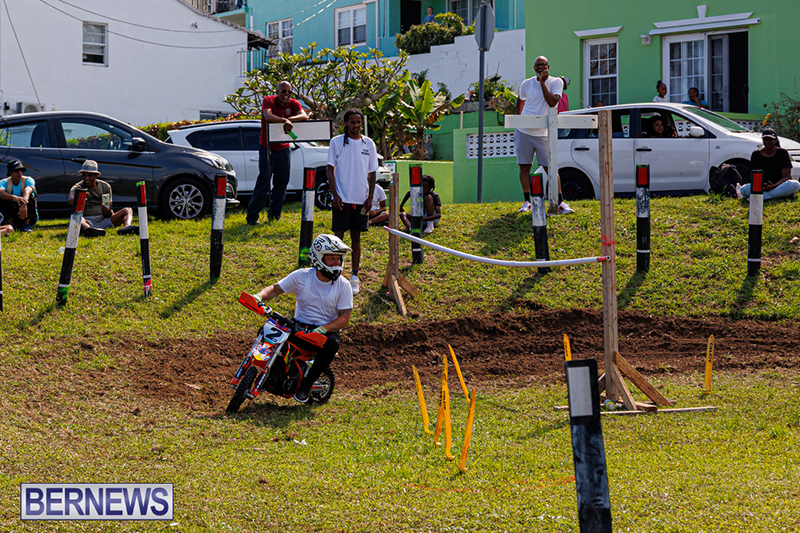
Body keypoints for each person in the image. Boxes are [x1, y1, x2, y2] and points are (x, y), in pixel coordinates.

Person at [252, 234, 353, 403]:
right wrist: (259, 296)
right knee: (266, 330)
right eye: (332, 258)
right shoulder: (302, 276)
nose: (337, 262)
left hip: (325, 332)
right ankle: (269, 373)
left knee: (333, 344)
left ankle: (306, 385)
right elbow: (276, 289)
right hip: (299, 325)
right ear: (319, 258)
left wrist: (324, 328)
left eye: (339, 258)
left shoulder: (344, 285)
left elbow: (344, 318)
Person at [327, 108, 378, 296]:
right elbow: (330, 170)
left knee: (356, 238)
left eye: (359, 122)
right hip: (342, 198)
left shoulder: (369, 144)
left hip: (361, 199)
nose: (356, 126)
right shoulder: (336, 142)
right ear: (346, 123)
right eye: (353, 122)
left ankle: (354, 276)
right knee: (337, 238)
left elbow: (372, 173)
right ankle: (336, 275)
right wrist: (335, 195)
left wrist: (370, 197)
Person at [513, 55, 573, 215]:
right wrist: (519, 121)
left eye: (544, 65)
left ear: (548, 66)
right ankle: (527, 201)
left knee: (550, 168)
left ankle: (560, 202)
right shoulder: (526, 83)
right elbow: (520, 100)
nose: (541, 67)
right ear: (534, 68)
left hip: (543, 133)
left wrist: (542, 83)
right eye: (538, 65)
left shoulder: (556, 82)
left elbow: (552, 102)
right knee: (524, 166)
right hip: (524, 131)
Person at [246, 80, 309, 225]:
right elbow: (267, 116)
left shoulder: (293, 103)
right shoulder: (268, 100)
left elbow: (304, 116)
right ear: (277, 91)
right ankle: (252, 218)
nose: (286, 94)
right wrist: (283, 120)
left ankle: (274, 217)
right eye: (283, 91)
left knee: (281, 184)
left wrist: (289, 120)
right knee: (264, 183)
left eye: (289, 91)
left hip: (284, 149)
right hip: (267, 148)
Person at [67, 160, 138, 237]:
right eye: (84, 175)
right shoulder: (78, 187)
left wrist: (108, 211)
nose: (86, 178)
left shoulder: (105, 186)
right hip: (87, 220)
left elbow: (109, 211)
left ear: (96, 175)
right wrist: (79, 199)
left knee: (128, 210)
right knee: (75, 217)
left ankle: (127, 227)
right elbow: (70, 200)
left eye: (89, 175)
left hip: (104, 219)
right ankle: (90, 230)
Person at [739, 128, 800, 201]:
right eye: (765, 140)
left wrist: (774, 185)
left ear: (775, 140)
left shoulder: (782, 153)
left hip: (779, 185)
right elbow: (752, 174)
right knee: (744, 189)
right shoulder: (756, 154)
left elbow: (786, 176)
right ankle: (776, 195)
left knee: (795, 184)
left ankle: (766, 196)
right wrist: (763, 186)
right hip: (762, 186)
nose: (767, 142)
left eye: (770, 140)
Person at [0, 159, 38, 232]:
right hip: (13, 214)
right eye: (16, 170)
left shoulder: (28, 180)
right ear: (10, 172)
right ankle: (13, 225)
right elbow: (0, 193)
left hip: (29, 216)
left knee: (30, 197)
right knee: (2, 199)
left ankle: (26, 225)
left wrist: (24, 203)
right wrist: (13, 197)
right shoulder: (4, 182)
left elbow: (28, 190)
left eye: (21, 170)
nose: (20, 172)